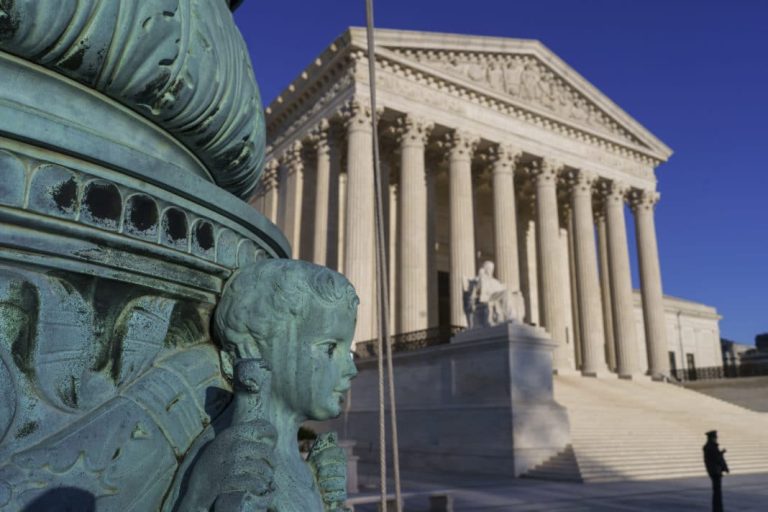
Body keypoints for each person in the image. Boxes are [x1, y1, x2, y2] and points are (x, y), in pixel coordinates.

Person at [176, 259, 359, 511]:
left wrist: (328, 503)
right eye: (330, 348)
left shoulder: (302, 469)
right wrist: (198, 500)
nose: (352, 369)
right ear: (253, 350)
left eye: (347, 351)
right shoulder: (229, 462)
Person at [703, 430, 729, 512]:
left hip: (714, 471)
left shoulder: (710, 446)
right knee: (717, 492)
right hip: (715, 472)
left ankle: (718, 509)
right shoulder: (711, 447)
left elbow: (716, 457)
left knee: (717, 492)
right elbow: (716, 458)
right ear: (712, 438)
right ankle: (717, 509)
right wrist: (722, 453)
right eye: (715, 437)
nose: (716, 439)